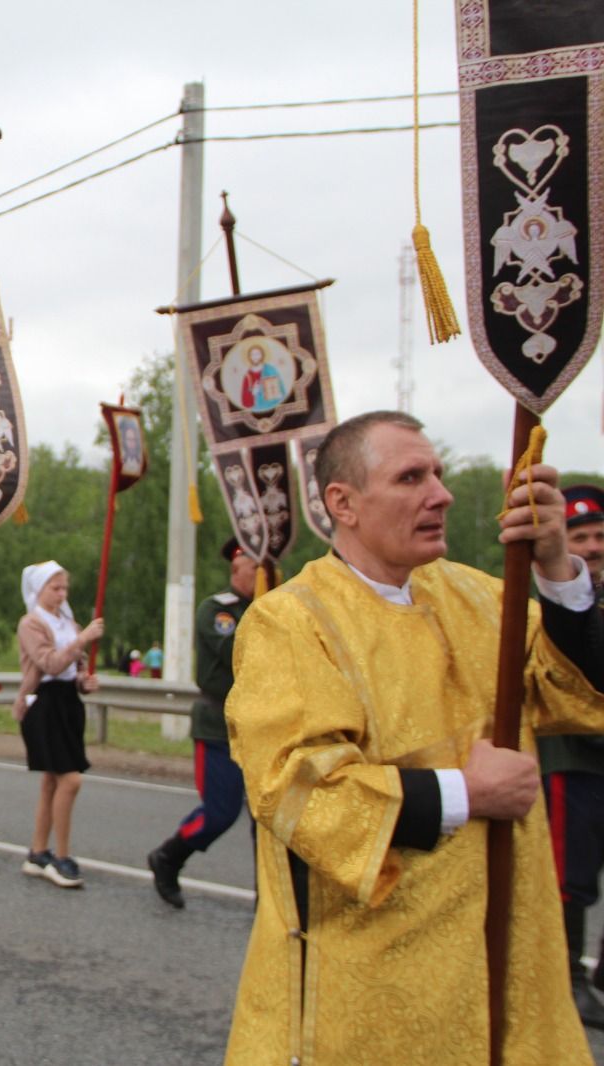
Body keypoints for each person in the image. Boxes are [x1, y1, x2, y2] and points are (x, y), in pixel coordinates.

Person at [223, 411, 604, 1064]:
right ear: (343, 503)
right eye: (411, 477)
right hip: (378, 990)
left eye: (439, 473)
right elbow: (295, 791)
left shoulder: (485, 598)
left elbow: (576, 692)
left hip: (510, 967)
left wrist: (557, 569)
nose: (441, 493)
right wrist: (466, 793)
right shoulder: (290, 624)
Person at [146, 537, 257, 909]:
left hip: (263, 731)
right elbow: (237, 651)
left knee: (269, 821)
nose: (262, 575)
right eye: (254, 567)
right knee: (220, 814)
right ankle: (169, 856)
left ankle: (271, 900)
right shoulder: (218, 610)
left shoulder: (275, 609)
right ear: (236, 568)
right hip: (219, 728)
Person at [538, 483, 604, 1026]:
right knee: (572, 875)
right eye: (579, 536)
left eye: (600, 535)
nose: (593, 545)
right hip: (572, 754)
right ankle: (568, 979)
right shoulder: (550, 597)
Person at [13, 562, 104, 889]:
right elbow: (49, 663)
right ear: (39, 590)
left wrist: (84, 681)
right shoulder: (31, 623)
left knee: (53, 781)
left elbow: (73, 670)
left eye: (64, 588)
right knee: (71, 780)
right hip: (44, 704)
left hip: (68, 704)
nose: (61, 594)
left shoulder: (68, 621)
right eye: (55, 587)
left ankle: (38, 853)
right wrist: (82, 639)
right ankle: (61, 857)